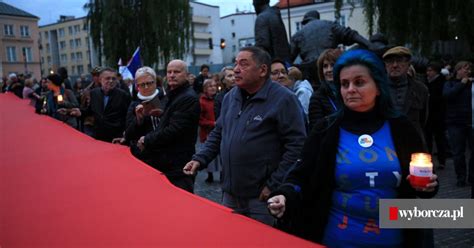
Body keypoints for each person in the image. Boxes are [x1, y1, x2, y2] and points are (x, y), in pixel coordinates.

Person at [268, 50, 438, 247]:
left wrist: (427, 186)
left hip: (395, 239)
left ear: (378, 87)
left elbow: (423, 176)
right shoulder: (326, 129)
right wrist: (285, 195)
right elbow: (301, 175)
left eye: (359, 82)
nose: (350, 89)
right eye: (344, 84)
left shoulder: (401, 127)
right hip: (338, 239)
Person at [183, 46, 306, 225]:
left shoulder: (284, 99)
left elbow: (297, 145)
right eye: (235, 64)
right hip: (230, 194)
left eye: (244, 64)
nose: (236, 69)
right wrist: (200, 158)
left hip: (262, 198)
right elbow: (219, 132)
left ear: (263, 70)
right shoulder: (230, 97)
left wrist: (274, 184)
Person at [137, 60, 200, 193]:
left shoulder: (187, 97)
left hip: (178, 165)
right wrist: (163, 115)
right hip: (169, 163)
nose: (172, 75)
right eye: (169, 72)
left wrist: (146, 139)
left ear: (187, 75)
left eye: (176, 72)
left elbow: (174, 130)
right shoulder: (175, 94)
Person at [290, 10, 376, 85]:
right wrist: (369, 45)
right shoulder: (329, 24)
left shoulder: (298, 34)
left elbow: (290, 56)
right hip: (331, 65)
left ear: (306, 21)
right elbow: (350, 34)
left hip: (310, 72)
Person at [114, 67, 165, 161]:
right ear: (137, 87)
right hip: (143, 154)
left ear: (155, 82)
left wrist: (162, 115)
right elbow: (128, 134)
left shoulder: (166, 99)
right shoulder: (134, 104)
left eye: (149, 83)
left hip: (165, 151)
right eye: (142, 84)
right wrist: (138, 120)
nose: (146, 87)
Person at [383, 46, 429, 139]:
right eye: (390, 61)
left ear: (408, 64)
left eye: (400, 60)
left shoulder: (420, 89)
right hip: (384, 142)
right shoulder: (376, 88)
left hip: (412, 140)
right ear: (385, 65)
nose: (395, 65)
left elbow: (423, 119)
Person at [443, 61, 473, 187]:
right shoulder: (449, 83)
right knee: (458, 153)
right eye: (465, 69)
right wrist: (461, 84)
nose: (467, 71)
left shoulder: (470, 84)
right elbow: (447, 95)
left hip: (470, 123)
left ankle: (472, 177)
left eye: (469, 69)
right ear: (458, 70)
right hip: (455, 123)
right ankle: (461, 177)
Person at [85, 67, 131, 142]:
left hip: (116, 138)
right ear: (100, 80)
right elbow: (90, 110)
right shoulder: (94, 93)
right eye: (108, 78)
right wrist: (79, 112)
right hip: (98, 137)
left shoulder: (123, 95)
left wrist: (125, 134)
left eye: (113, 78)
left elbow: (129, 116)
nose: (111, 81)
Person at [308, 48, 343, 131]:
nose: (329, 70)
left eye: (332, 65)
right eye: (325, 66)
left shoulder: (349, 91)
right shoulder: (316, 98)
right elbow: (316, 131)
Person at [424, 62, 447, 169]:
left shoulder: (441, 82)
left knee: (439, 139)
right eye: (427, 70)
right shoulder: (426, 82)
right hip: (428, 115)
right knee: (428, 139)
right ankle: (429, 161)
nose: (428, 73)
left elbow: (441, 98)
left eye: (430, 70)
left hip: (438, 115)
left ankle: (442, 161)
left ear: (436, 71)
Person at [199, 79, 219, 183]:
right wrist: (212, 123)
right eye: (210, 86)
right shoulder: (202, 101)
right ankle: (210, 174)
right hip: (207, 132)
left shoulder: (218, 99)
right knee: (209, 154)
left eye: (214, 86)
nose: (213, 88)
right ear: (205, 89)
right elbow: (200, 119)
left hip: (220, 130)